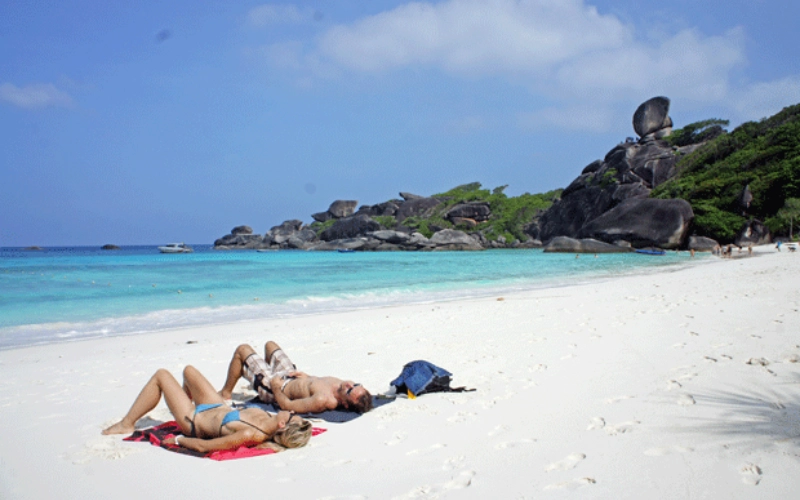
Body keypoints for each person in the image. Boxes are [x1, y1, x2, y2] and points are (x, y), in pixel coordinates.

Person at [103, 365, 312, 453]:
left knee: (162, 375)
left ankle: (126, 423)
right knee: (189, 371)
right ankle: (179, 402)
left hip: (194, 420)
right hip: (217, 406)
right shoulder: (272, 418)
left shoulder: (249, 434)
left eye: (292, 416)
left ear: (282, 424)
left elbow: (205, 447)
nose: (292, 412)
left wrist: (178, 440)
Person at [219, 341, 373, 414]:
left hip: (277, 388)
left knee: (242, 349)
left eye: (349, 391)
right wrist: (307, 377)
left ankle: (226, 393)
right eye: (355, 384)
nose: (349, 385)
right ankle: (259, 373)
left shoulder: (322, 400)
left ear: (344, 404)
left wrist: (275, 388)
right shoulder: (343, 385)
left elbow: (287, 406)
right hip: (292, 376)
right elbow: (318, 382)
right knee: (270, 345)